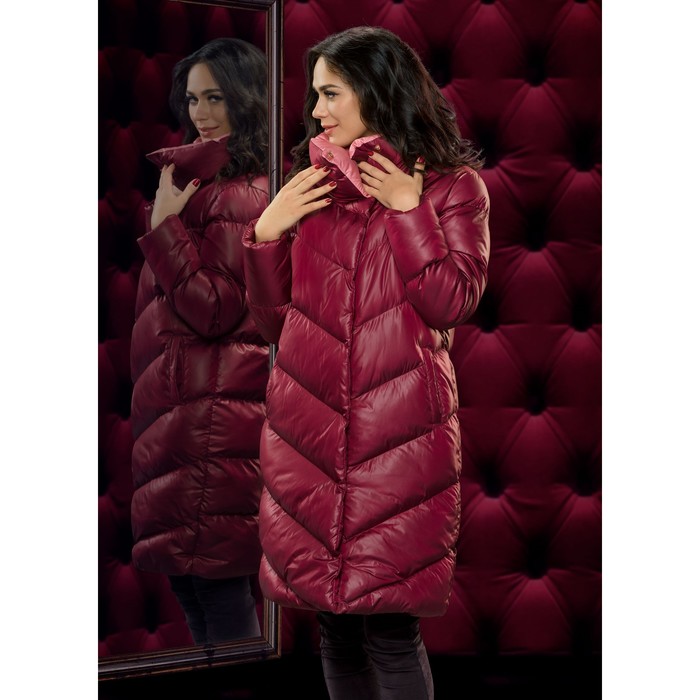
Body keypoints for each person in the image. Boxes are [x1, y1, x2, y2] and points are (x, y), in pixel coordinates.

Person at [242, 26, 490, 700]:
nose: (316, 110)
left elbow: (448, 302)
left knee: (389, 627)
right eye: (314, 95)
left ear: (376, 91)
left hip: (399, 434)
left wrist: (409, 211)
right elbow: (275, 324)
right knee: (335, 629)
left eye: (331, 93)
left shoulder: (453, 188)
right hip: (309, 433)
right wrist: (266, 234)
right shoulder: (310, 190)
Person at [129, 37, 269, 646]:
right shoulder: (203, 183)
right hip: (187, 412)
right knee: (193, 587)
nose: (202, 113)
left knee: (216, 586)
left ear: (247, 98)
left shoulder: (246, 193)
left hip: (216, 416)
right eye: (192, 100)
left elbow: (215, 309)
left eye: (216, 97)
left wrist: (165, 227)